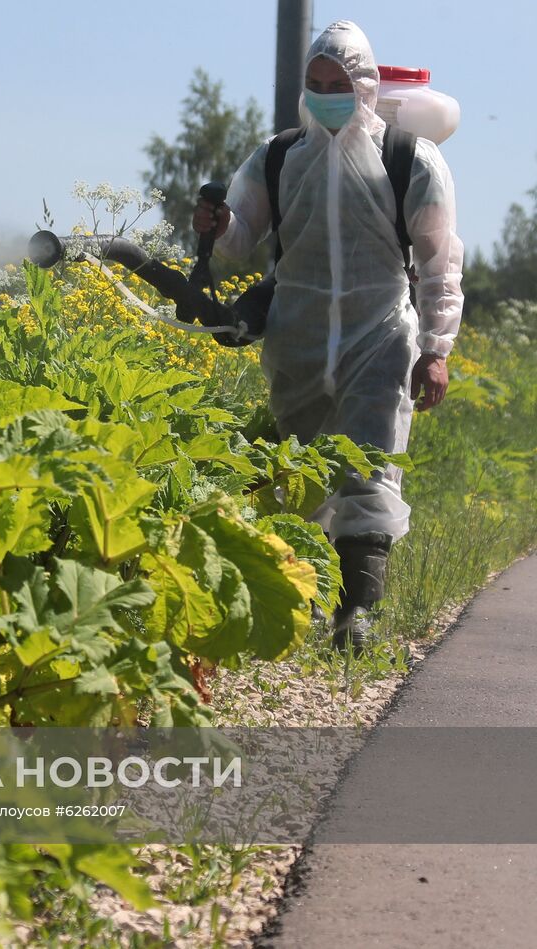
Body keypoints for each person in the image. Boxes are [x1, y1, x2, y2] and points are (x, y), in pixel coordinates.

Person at [191, 20, 464, 652]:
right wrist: (218, 220)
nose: (324, 94)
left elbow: (439, 262)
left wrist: (437, 350)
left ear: (365, 85)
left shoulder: (409, 159)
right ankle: (298, 613)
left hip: (383, 336)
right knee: (300, 478)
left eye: (337, 83)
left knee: (367, 471)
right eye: (314, 84)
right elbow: (239, 240)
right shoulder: (280, 156)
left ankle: (356, 617)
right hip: (299, 338)